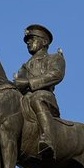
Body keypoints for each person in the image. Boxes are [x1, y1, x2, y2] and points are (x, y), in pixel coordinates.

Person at [13, 24, 65, 157]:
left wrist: (29, 83)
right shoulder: (23, 68)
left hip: (44, 96)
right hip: (25, 99)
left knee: (36, 99)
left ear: (44, 42)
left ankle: (48, 138)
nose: (28, 42)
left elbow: (55, 75)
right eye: (27, 40)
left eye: (32, 38)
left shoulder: (54, 58)